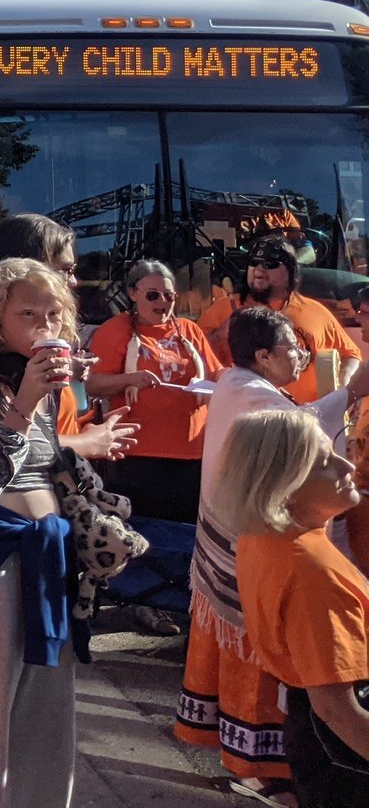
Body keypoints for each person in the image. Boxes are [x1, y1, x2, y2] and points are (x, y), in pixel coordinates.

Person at [0, 258, 139, 808]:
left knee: (46, 741)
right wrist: (23, 403)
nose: (44, 324)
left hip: (47, 563)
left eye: (54, 313)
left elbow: (45, 465)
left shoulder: (43, 375)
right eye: (28, 312)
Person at [178, 303, 369, 795]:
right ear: (262, 356)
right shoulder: (311, 569)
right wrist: (352, 391)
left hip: (247, 548)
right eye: (293, 349)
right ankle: (264, 770)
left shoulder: (236, 384)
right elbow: (298, 431)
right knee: (279, 673)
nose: (302, 356)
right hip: (265, 564)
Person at [220, 408, 369, 808]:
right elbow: (339, 709)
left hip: (312, 731)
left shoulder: (266, 536)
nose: (346, 462)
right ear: (284, 486)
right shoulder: (312, 572)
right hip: (346, 747)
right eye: (323, 463)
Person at [86, 259, 215, 523]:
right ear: (133, 294)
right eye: (153, 295)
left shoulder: (189, 330)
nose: (163, 302)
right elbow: (93, 384)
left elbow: (215, 374)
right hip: (135, 456)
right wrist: (131, 378)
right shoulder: (115, 330)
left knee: (183, 537)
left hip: (190, 455)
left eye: (169, 296)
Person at [245, 236, 361, 405]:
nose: (259, 270)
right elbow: (201, 364)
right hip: (251, 423)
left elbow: (351, 354)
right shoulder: (226, 310)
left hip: (310, 420)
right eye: (254, 262)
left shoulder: (316, 311)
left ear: (290, 271)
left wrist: (343, 384)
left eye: (270, 264)